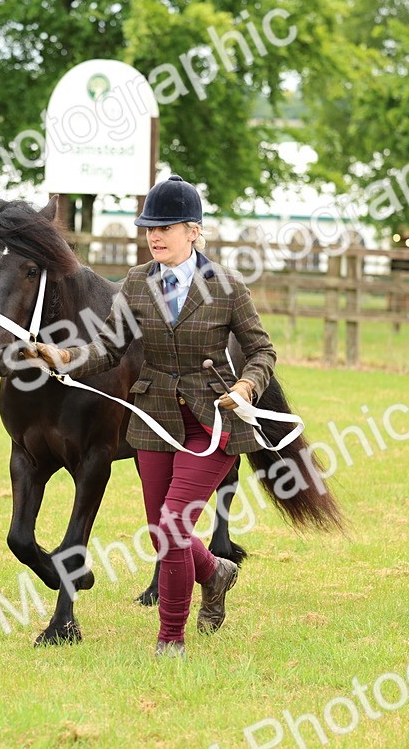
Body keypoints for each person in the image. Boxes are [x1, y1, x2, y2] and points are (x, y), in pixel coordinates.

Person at [26, 175, 278, 658]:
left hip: (213, 423)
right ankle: (214, 571)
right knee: (163, 533)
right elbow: (110, 350)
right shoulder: (138, 283)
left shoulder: (227, 286)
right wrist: (65, 358)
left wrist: (247, 385)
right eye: (149, 228)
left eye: (166, 228)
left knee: (174, 529)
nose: (155, 236)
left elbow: (262, 350)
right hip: (155, 421)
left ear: (194, 231)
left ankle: (170, 639)